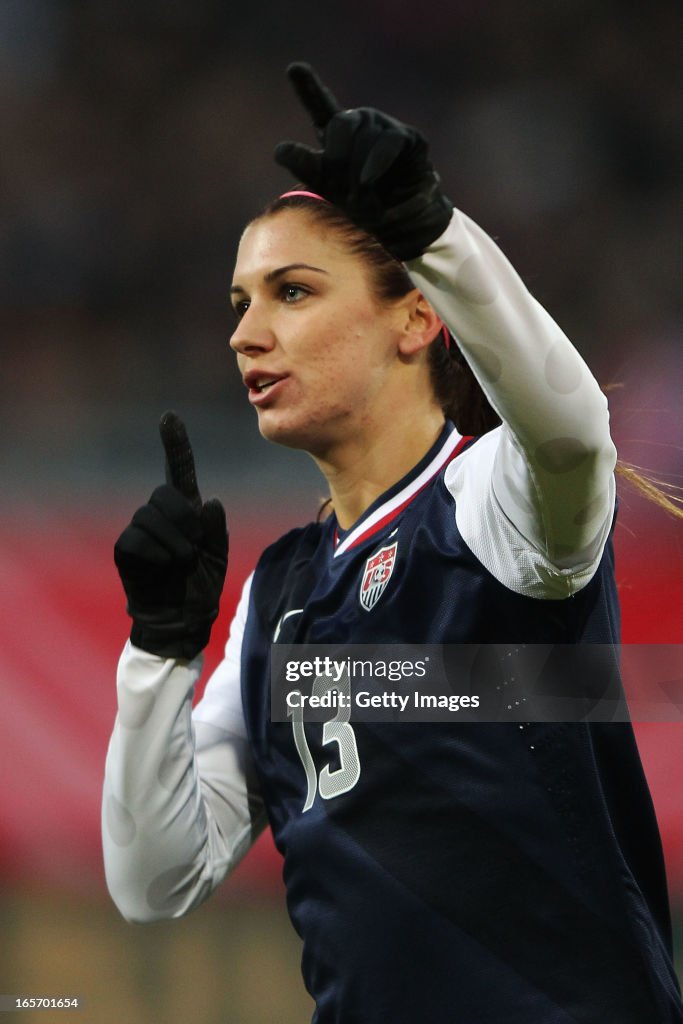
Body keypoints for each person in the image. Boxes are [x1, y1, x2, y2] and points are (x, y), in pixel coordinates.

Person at [102, 63, 683, 1022]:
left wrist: (435, 234)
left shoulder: (493, 506)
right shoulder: (275, 595)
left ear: (416, 316)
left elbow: (575, 431)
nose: (247, 334)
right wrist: (158, 648)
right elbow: (153, 881)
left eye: (291, 292)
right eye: (239, 303)